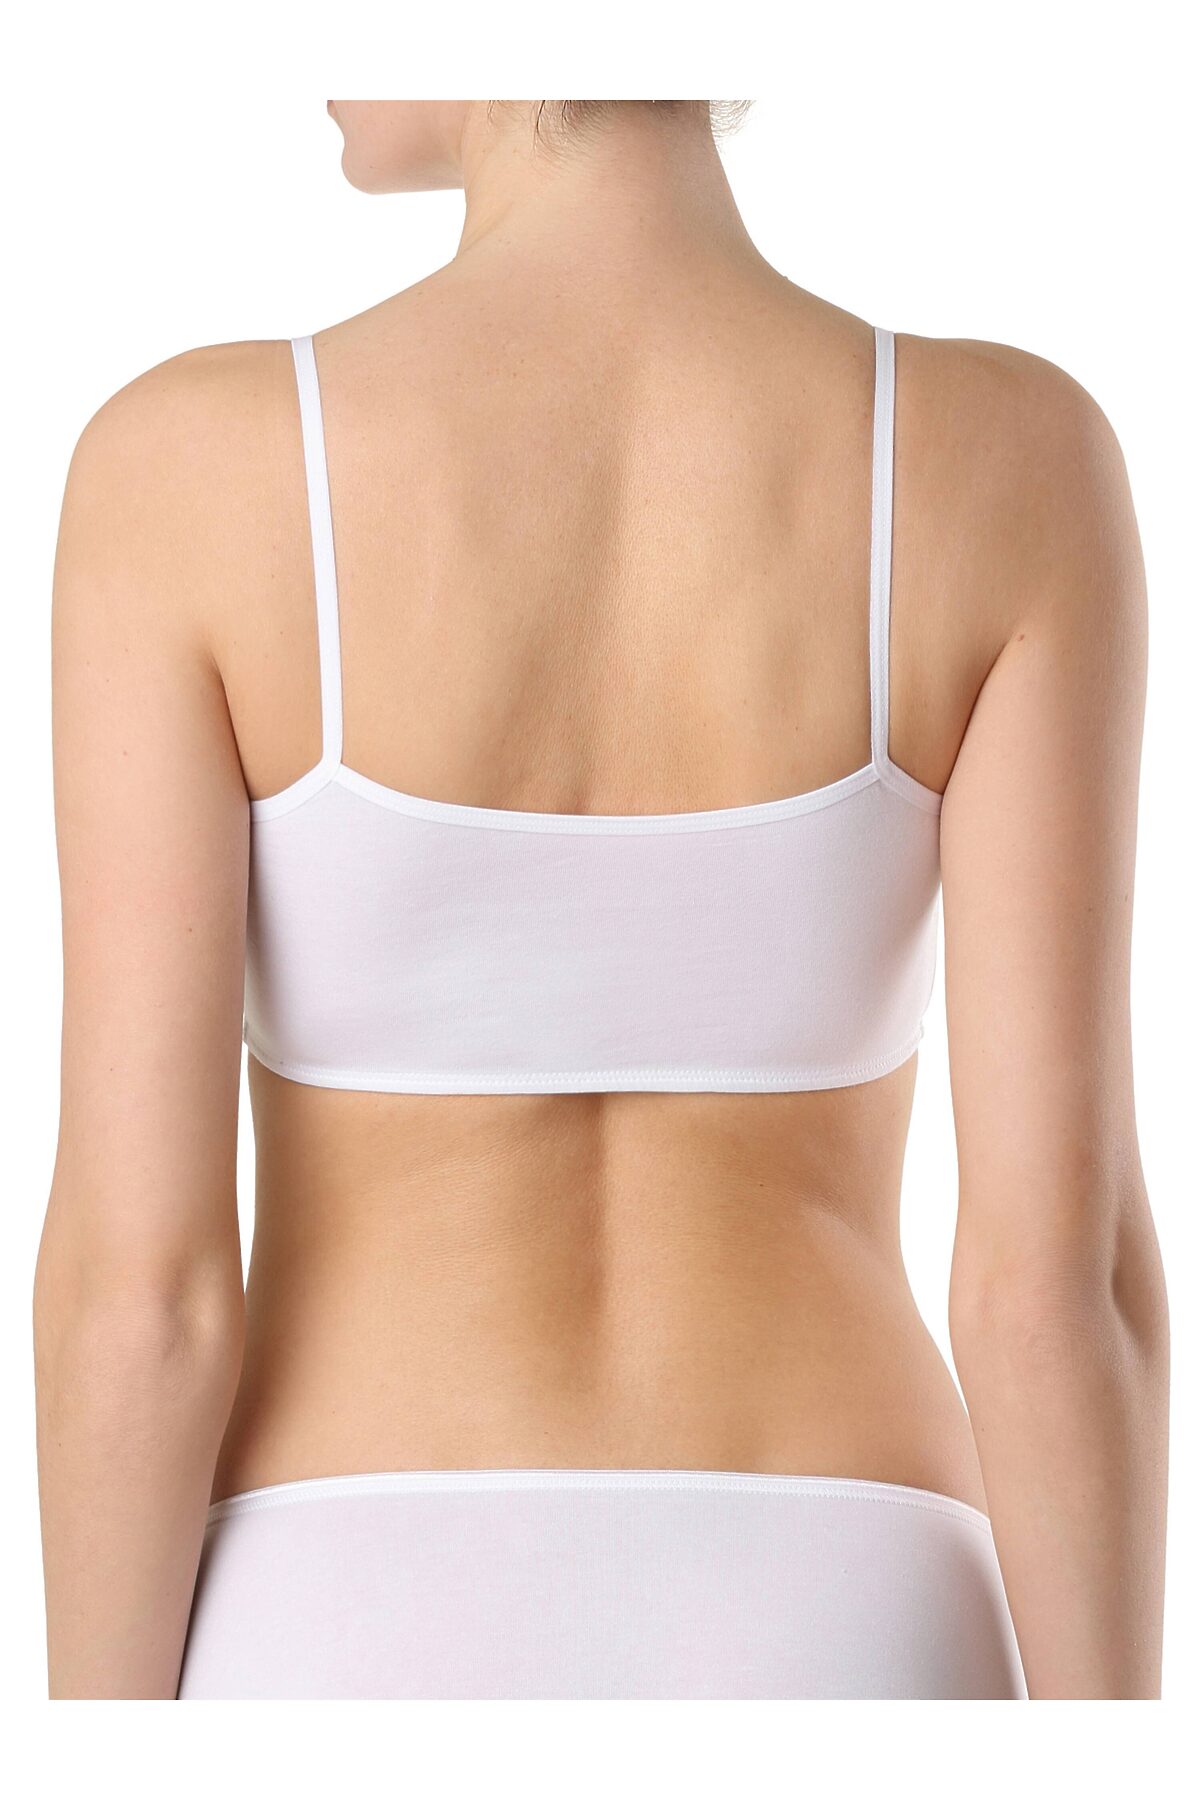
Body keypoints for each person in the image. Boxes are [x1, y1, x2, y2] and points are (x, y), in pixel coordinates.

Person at [34, 98, 1168, 1700]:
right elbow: (1053, 1287)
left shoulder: (188, 470)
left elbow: (139, 1298)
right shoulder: (1007, 457)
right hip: (846, 1602)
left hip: (340, 1606)